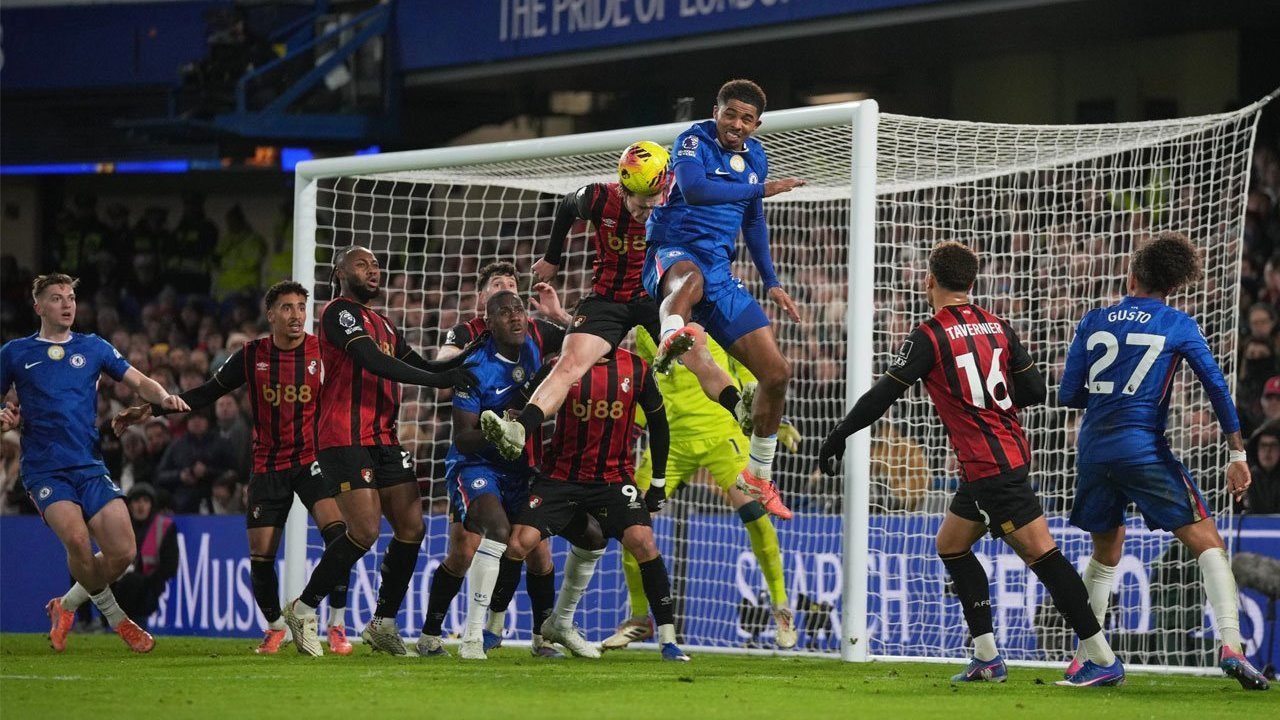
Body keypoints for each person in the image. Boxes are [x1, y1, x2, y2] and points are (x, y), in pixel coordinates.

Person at [818, 242, 1124, 687]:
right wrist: (988, 402)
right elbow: (1036, 390)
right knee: (951, 544)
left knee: (1043, 555)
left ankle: (1101, 657)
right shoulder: (998, 326)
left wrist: (840, 434)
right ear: (972, 284)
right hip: (1001, 455)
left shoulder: (929, 334)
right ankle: (986, 656)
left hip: (988, 465)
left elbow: (884, 394)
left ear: (930, 282)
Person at [1058, 231, 1269, 691]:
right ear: (1171, 287)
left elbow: (1068, 394)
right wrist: (1237, 452)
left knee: (1105, 552)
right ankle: (1231, 644)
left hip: (1093, 450)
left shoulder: (1094, 319)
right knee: (1208, 541)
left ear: (1130, 276)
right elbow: (1215, 386)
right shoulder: (1176, 322)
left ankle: (1088, 657)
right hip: (1143, 448)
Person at [485, 143, 762, 494]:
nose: (648, 211)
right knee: (570, 364)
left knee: (697, 352)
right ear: (624, 188)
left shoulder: (681, 197)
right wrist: (552, 258)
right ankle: (519, 429)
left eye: (654, 202)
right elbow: (566, 206)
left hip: (655, 293)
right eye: (640, 203)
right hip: (608, 297)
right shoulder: (598, 199)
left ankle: (740, 411)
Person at [114, 280, 357, 654]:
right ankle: (276, 626)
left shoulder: (321, 351)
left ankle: (321, 616)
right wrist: (151, 409)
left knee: (341, 539)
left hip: (310, 460)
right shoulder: (252, 355)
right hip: (267, 466)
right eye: (288, 308)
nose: (296, 316)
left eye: (301, 307)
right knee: (261, 560)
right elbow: (206, 393)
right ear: (271, 314)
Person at [282, 246, 481, 656]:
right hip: (343, 437)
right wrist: (437, 382)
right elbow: (373, 363)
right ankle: (302, 609)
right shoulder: (338, 313)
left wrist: (473, 356)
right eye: (362, 264)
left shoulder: (386, 325)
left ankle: (382, 623)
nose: (373, 270)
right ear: (340, 272)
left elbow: (425, 364)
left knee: (412, 527)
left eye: (375, 265)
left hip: (384, 438)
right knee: (366, 531)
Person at [0, 272, 190, 654]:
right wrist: (4, 415)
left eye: (70, 297)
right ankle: (119, 619)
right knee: (77, 540)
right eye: (56, 298)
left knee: (123, 553)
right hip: (44, 468)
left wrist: (163, 396)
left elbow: (138, 381)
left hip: (89, 464)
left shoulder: (93, 347)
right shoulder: (15, 353)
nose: (67, 304)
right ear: (38, 307)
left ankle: (65, 605)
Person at [640, 79, 805, 519]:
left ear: (757, 124)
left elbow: (753, 225)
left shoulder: (757, 157)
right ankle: (671, 334)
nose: (736, 123)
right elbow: (694, 189)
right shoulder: (692, 140)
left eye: (746, 118)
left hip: (719, 269)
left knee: (776, 373)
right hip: (673, 250)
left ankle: (758, 475)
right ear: (716, 111)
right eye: (729, 113)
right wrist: (761, 189)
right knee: (688, 282)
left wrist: (771, 280)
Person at [487, 344, 690, 662]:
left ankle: (668, 640)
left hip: (613, 479)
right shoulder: (562, 363)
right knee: (519, 542)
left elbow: (660, 426)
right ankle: (492, 630)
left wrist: (658, 483)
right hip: (560, 476)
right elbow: (528, 411)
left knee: (644, 542)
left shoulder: (637, 369)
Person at [601, 326, 797, 651]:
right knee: (631, 523)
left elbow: (748, 372)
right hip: (672, 440)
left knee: (756, 516)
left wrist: (772, 418)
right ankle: (638, 618)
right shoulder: (648, 325)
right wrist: (629, 425)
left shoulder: (714, 315)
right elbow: (650, 380)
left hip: (722, 433)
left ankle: (781, 608)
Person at [418, 261, 566, 656]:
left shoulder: (537, 333)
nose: (516, 315)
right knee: (468, 547)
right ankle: (446, 633)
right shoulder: (469, 348)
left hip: (525, 464)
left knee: (538, 549)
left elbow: (587, 340)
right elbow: (464, 437)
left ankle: (541, 637)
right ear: (485, 308)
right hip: (477, 465)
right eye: (503, 302)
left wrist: (559, 314)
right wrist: (498, 428)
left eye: (517, 300)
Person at [108, 483, 177, 626]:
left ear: (152, 504)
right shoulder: (120, 526)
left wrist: (146, 580)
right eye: (137, 501)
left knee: (131, 583)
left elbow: (170, 565)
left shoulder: (163, 527)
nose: (141, 506)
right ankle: (87, 621)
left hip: (147, 587)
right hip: (117, 582)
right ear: (130, 505)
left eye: (145, 501)